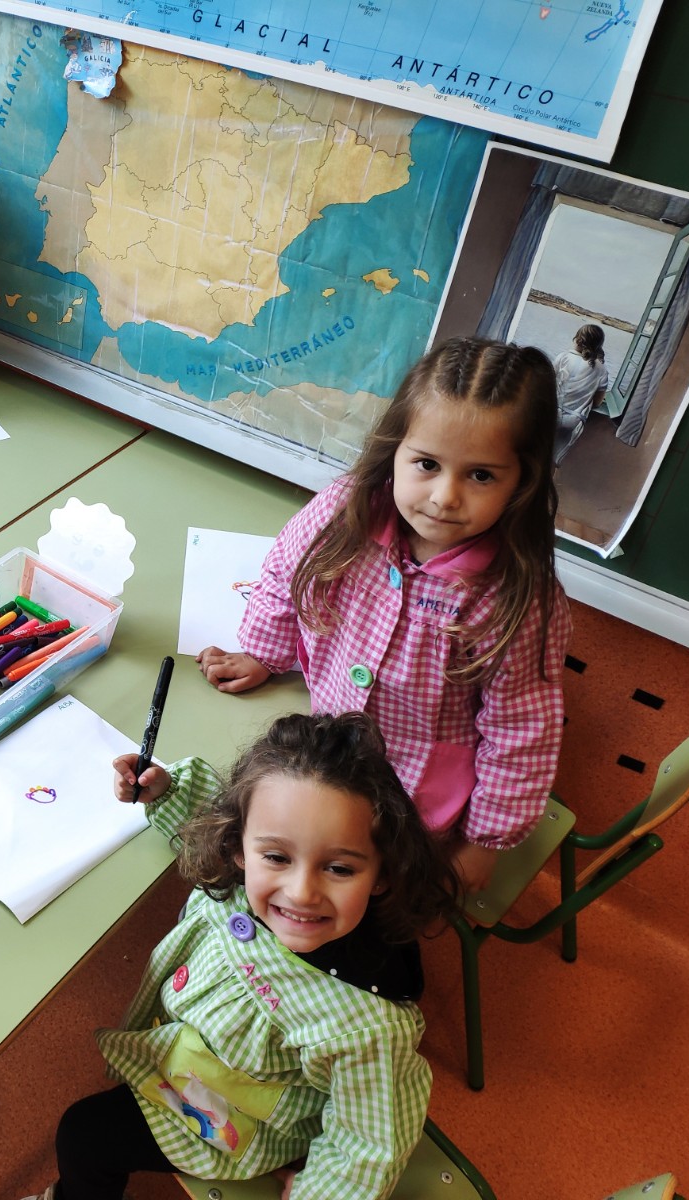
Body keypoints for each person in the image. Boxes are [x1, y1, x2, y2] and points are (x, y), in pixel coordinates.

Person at [21, 712, 460, 1200]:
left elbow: (368, 1146)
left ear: (383, 875)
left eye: (338, 868)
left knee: (84, 1136)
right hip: (186, 1054)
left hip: (233, 1118)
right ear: (238, 849)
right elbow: (220, 810)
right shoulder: (242, 871)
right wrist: (165, 790)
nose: (301, 892)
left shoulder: (368, 1026)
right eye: (277, 858)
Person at [196, 337, 571, 893]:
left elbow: (521, 734)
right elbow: (284, 575)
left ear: (524, 480)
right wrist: (265, 653)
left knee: (373, 892)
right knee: (290, 863)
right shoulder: (343, 509)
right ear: (395, 450)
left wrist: (484, 843)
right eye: (427, 464)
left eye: (481, 475)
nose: (444, 497)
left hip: (417, 793)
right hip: (325, 756)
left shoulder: (519, 597)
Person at [552, 322, 608, 465]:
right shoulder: (602, 370)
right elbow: (597, 402)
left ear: (577, 340)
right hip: (573, 421)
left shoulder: (563, 357)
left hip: (551, 414)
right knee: (553, 461)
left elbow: (548, 384)